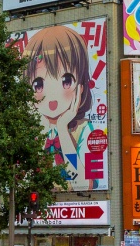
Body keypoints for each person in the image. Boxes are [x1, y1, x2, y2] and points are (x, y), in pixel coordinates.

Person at [22, 26, 102, 191]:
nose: (52, 98)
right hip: (38, 208)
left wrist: (63, 131)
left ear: (80, 87)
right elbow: (24, 183)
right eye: (38, 85)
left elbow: (84, 185)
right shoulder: (27, 132)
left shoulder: (84, 130)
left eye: (66, 81)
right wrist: (41, 132)